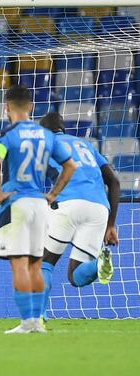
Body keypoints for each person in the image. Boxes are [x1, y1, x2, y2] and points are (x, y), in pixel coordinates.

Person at [0, 85, 77, 334]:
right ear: (31, 107)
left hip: (16, 202)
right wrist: (53, 194)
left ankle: (27, 322)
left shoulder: (5, 135)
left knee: (19, 263)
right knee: (36, 264)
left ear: (6, 107)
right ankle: (37, 321)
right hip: (40, 204)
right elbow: (70, 166)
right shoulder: (47, 136)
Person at [37, 112, 120, 320]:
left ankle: (39, 315)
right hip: (100, 210)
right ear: (63, 128)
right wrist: (111, 225)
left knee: (45, 262)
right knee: (76, 276)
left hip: (68, 204)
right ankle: (98, 265)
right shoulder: (87, 146)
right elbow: (114, 182)